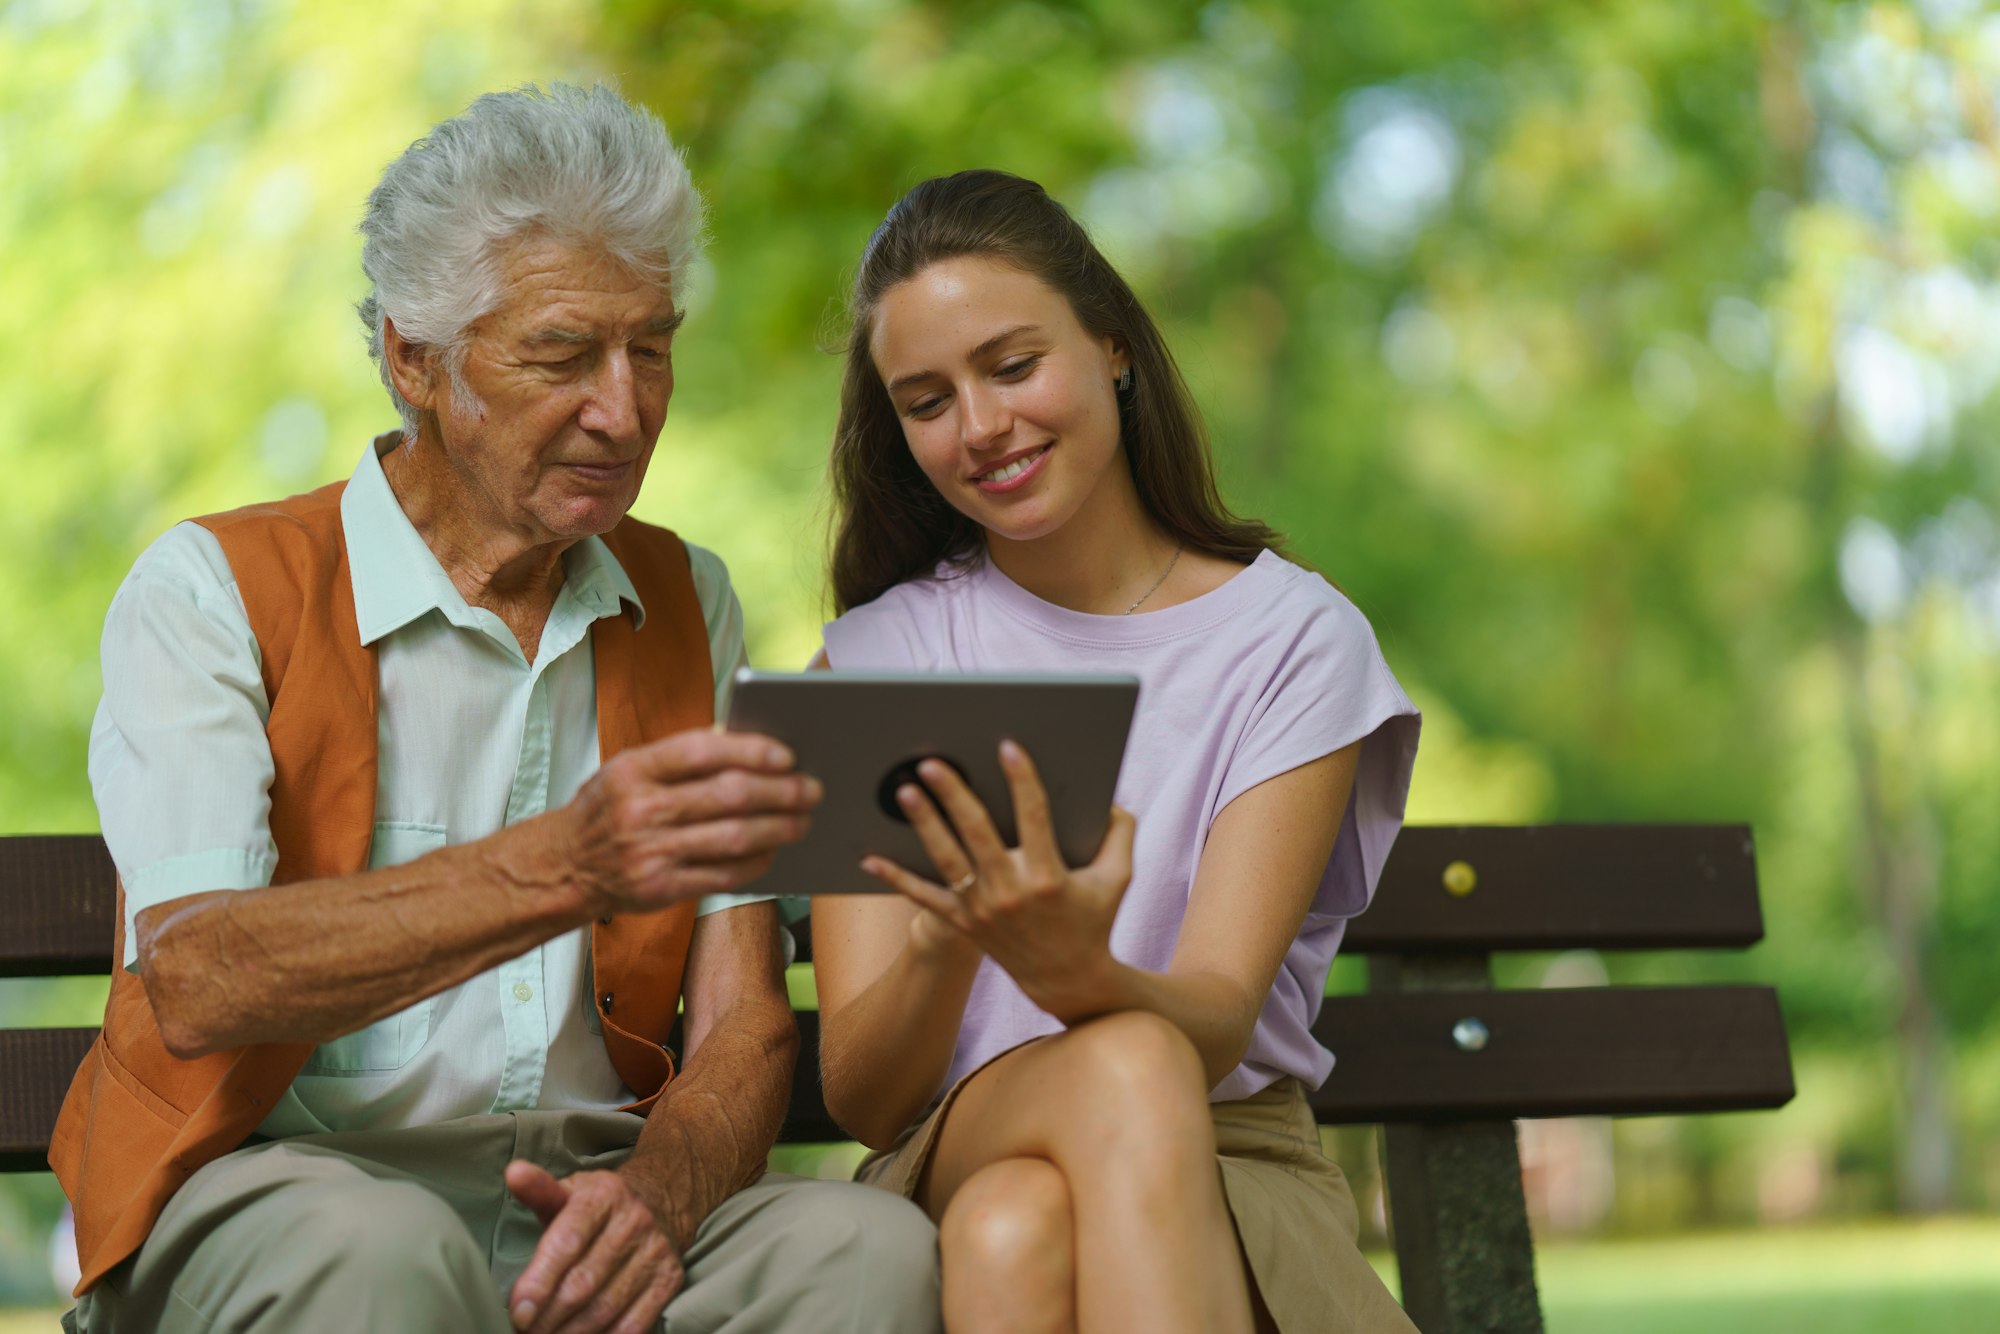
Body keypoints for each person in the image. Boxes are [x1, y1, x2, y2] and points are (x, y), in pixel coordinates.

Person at [54, 84, 941, 1334]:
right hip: (277, 1194)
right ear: (412, 359)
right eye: (563, 354)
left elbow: (742, 1015)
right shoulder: (212, 590)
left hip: (587, 1191)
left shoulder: (685, 596)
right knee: (381, 1245)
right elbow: (199, 977)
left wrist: (659, 1194)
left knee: (861, 1246)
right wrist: (564, 863)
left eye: (652, 347)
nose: (623, 410)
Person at [809, 169, 1424, 1334]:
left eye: (1010, 364)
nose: (980, 427)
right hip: (955, 1133)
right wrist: (946, 942)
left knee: (1015, 1228)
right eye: (926, 398)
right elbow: (867, 1096)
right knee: (1117, 1072)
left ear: (1112, 347)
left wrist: (1070, 966)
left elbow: (1212, 1020)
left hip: (1229, 1152)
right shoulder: (882, 658)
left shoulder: (1290, 639)